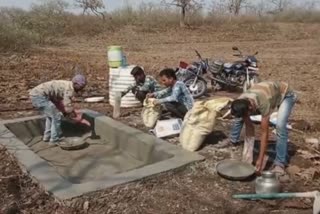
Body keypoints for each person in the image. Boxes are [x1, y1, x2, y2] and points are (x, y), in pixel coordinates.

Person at [215, 81, 297, 177]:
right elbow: (249, 126)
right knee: (239, 118)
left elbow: (264, 133)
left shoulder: (264, 103)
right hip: (267, 92)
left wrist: (260, 159)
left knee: (280, 126)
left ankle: (280, 163)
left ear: (250, 107)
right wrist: (248, 153)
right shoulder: (241, 100)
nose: (247, 116)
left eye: (247, 114)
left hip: (287, 94)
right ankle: (233, 139)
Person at [29, 74, 87, 145]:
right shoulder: (69, 89)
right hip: (39, 97)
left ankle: (47, 137)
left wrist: (65, 112)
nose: (81, 89)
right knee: (56, 117)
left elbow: (58, 103)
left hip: (36, 94)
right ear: (75, 83)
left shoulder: (65, 85)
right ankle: (54, 139)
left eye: (82, 87)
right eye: (80, 86)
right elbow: (67, 105)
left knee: (51, 116)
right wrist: (75, 117)